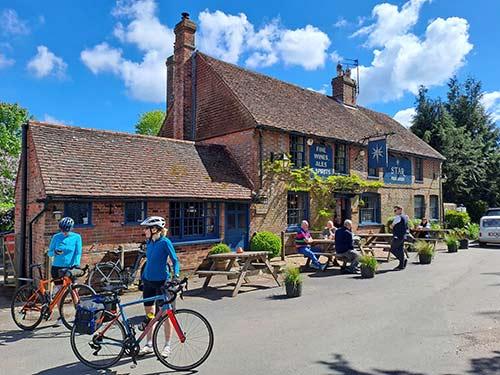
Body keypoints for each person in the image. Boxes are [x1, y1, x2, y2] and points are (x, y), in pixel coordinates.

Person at [138, 216, 180, 357]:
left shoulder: (165, 242)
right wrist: (142, 279)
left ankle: (167, 346)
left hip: (162, 283)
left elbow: (175, 260)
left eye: (146, 228)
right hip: (148, 283)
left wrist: (176, 276)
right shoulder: (149, 242)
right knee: (150, 315)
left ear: (154, 229)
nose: (144, 230)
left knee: (166, 315)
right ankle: (149, 344)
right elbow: (149, 262)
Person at [48, 217, 82, 325]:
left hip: (70, 268)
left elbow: (78, 252)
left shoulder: (77, 237)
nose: (65, 232)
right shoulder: (56, 237)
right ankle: (61, 316)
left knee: (74, 291)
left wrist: (76, 264)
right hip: (57, 268)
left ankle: (79, 314)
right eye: (63, 230)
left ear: (71, 228)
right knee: (59, 293)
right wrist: (55, 252)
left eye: (67, 230)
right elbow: (49, 253)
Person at [390, 205, 409, 270]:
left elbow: (392, 226)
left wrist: (392, 226)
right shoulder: (406, 217)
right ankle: (401, 265)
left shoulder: (398, 217)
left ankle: (403, 260)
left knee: (392, 249)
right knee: (400, 250)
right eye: (394, 210)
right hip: (403, 236)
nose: (394, 212)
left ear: (400, 210)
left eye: (395, 210)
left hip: (397, 236)